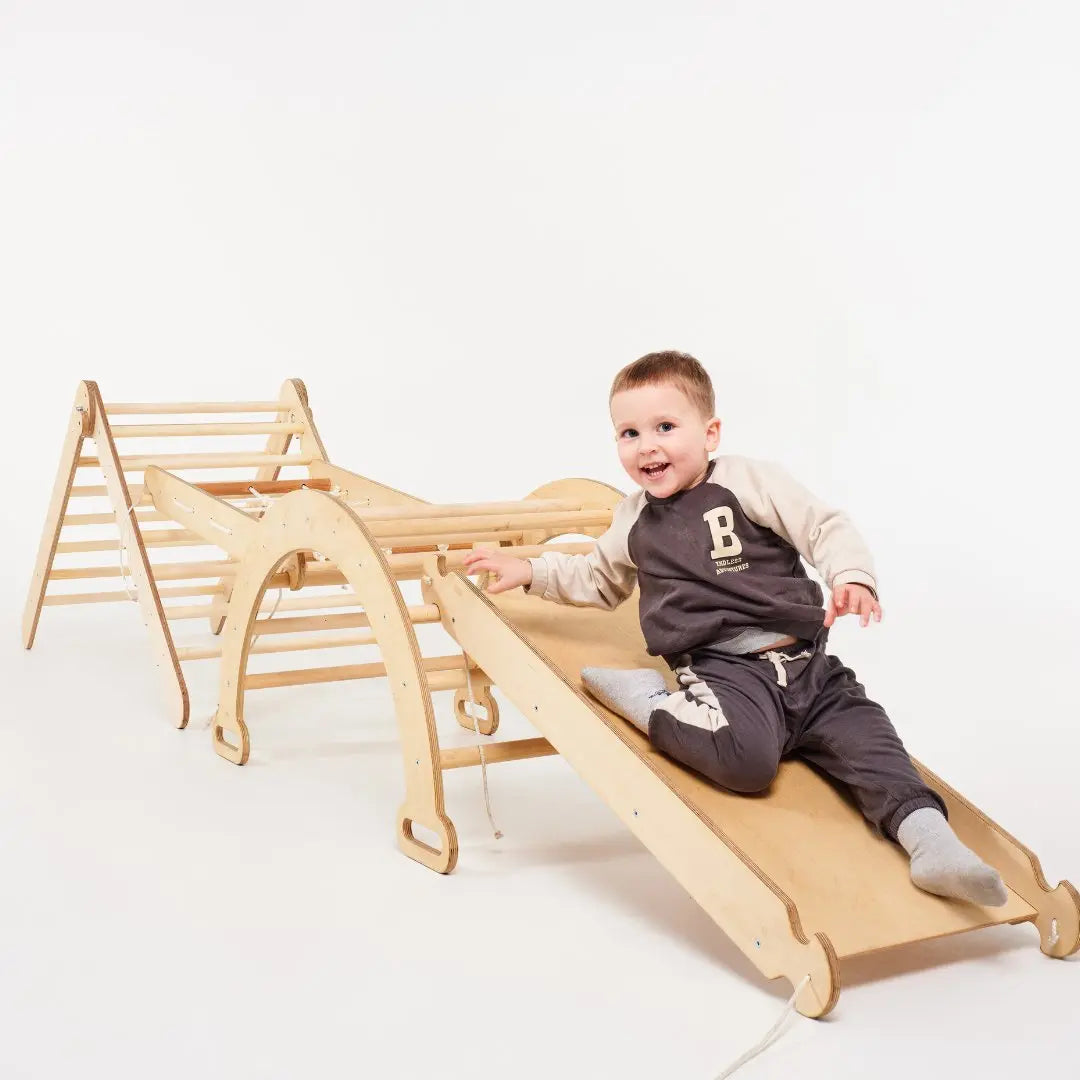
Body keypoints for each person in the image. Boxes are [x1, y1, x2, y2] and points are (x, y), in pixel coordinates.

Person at [462, 350, 1007, 907]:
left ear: (710, 434)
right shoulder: (634, 518)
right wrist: (531, 571)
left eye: (665, 427)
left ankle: (935, 848)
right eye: (629, 433)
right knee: (745, 763)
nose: (646, 446)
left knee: (875, 745)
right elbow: (597, 579)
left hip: (811, 667)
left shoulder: (748, 481)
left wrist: (851, 576)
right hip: (727, 670)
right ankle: (648, 702)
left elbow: (823, 526)